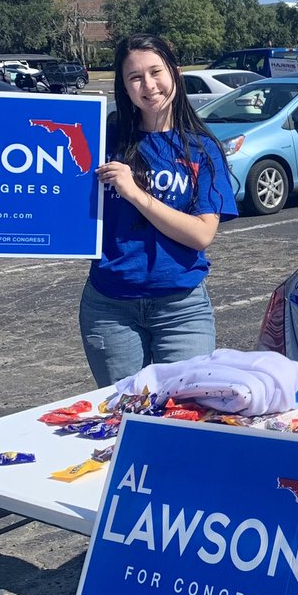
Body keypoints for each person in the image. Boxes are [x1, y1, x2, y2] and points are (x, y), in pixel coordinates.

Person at [79, 33, 239, 388]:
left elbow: (201, 234)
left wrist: (136, 194)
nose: (148, 86)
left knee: (183, 417)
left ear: (175, 73)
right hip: (110, 308)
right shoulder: (102, 138)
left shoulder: (202, 148)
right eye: (135, 77)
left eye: (156, 72)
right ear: (123, 85)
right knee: (123, 414)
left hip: (181, 308)